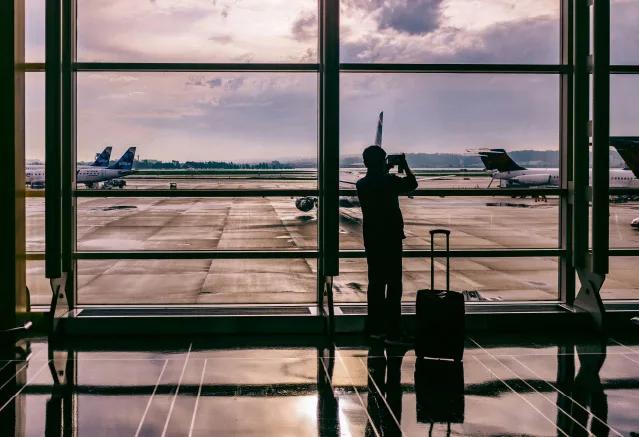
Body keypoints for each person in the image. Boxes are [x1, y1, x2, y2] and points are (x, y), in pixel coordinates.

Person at [356, 146, 417, 343]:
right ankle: (393, 330)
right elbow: (412, 184)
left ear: (365, 163)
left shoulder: (362, 184)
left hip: (372, 239)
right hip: (391, 238)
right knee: (393, 285)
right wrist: (404, 165)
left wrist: (383, 168)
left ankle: (375, 328)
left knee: (375, 284)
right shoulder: (390, 181)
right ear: (383, 162)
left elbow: (376, 180)